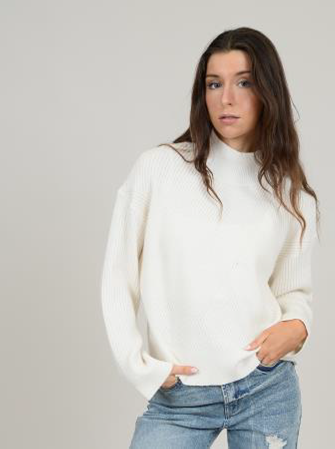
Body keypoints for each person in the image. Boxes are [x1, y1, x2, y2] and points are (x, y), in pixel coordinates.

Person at [101, 26, 321, 449]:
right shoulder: (160, 168)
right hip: (180, 396)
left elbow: (293, 292)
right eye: (214, 84)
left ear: (268, 92)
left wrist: (298, 324)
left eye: (244, 83)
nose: (226, 99)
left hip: (265, 388)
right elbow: (117, 276)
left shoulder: (290, 193)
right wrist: (140, 366)